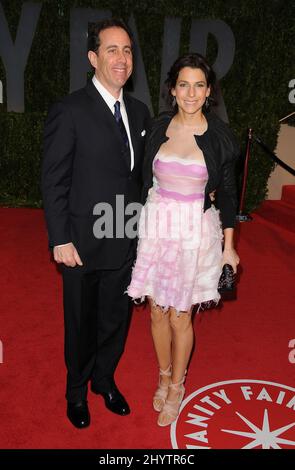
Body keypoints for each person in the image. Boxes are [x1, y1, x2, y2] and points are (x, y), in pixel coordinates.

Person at [41, 18, 150, 429]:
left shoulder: (139, 111)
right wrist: (60, 237)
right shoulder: (69, 110)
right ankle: (76, 392)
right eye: (111, 50)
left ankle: (104, 381)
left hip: (124, 238)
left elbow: (138, 178)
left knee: (115, 319)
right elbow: (54, 180)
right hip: (82, 245)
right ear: (92, 58)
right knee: (81, 324)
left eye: (126, 50)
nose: (121, 58)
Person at [127, 53, 240, 427]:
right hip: (158, 227)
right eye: (183, 85)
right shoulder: (158, 127)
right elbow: (144, 177)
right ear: (172, 90)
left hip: (194, 233)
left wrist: (229, 247)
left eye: (199, 85)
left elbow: (226, 196)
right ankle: (163, 373)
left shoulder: (220, 137)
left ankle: (178, 385)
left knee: (180, 315)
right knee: (157, 311)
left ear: (209, 92)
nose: (191, 93)